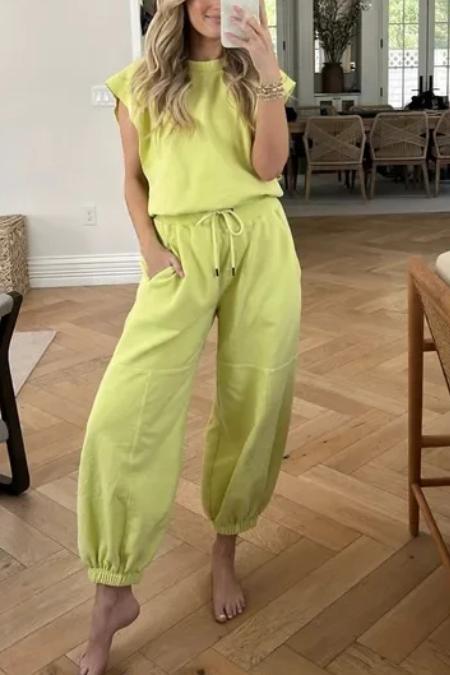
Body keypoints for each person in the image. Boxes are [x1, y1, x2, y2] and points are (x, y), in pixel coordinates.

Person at [77, 0, 302, 672]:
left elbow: (269, 167)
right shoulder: (138, 82)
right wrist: (149, 249)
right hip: (178, 251)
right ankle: (111, 593)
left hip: (260, 243)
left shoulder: (259, 74)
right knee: (126, 412)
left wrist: (266, 70)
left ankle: (224, 548)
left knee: (253, 400)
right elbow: (131, 179)